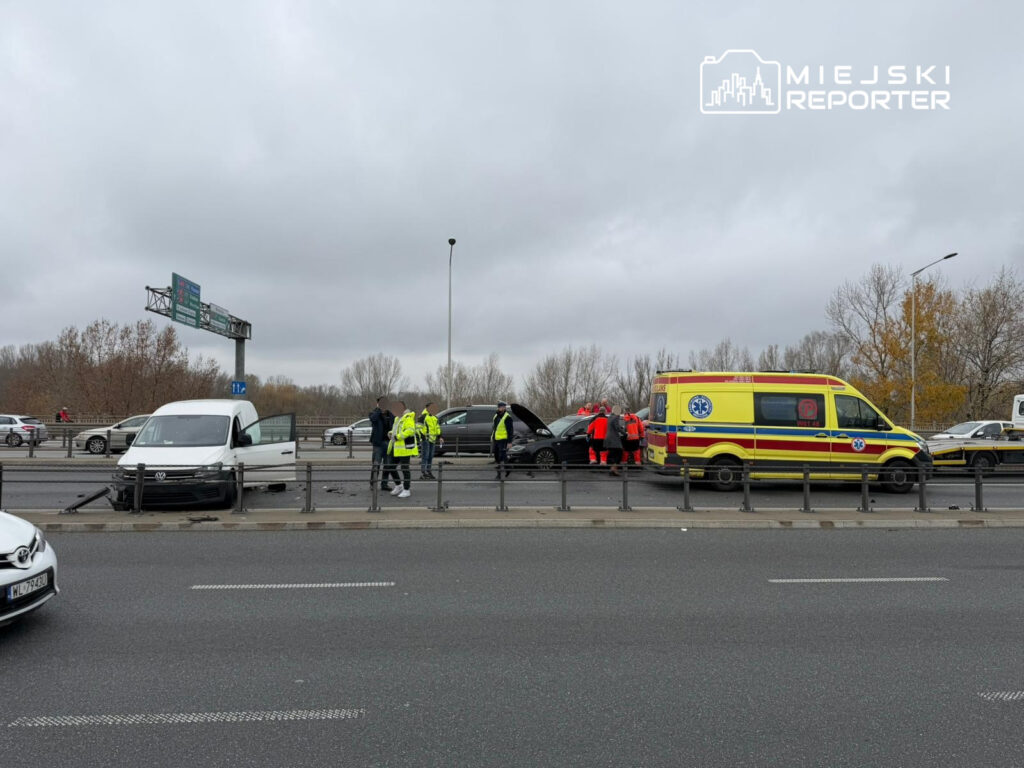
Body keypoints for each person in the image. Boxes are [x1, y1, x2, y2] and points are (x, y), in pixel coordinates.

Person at [389, 400, 418, 498]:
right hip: (396, 447)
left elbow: (410, 430)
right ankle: (398, 485)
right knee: (390, 466)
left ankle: (406, 489)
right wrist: (390, 433)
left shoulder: (408, 417)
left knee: (404, 469)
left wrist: (398, 436)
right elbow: (395, 430)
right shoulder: (397, 418)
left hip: (405, 448)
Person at [369, 397, 397, 492]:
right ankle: (373, 483)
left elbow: (396, 422)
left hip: (388, 443)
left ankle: (384, 484)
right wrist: (379, 410)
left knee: (387, 465)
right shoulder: (374, 413)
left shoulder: (390, 414)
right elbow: (373, 419)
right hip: (378, 443)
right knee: (376, 464)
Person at [418, 402, 441, 480]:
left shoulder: (435, 417)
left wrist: (440, 437)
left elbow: (437, 428)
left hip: (432, 440)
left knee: (430, 456)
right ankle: (424, 472)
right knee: (425, 456)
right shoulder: (423, 417)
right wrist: (423, 438)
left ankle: (428, 471)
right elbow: (418, 428)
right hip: (426, 440)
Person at [491, 401, 513, 478]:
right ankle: (507, 468)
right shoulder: (496, 416)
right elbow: (495, 428)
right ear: (498, 408)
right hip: (496, 439)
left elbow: (510, 430)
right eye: (500, 407)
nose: (502, 408)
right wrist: (493, 437)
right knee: (496, 455)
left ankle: (500, 473)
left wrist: (510, 442)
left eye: (503, 407)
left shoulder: (507, 417)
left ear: (504, 408)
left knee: (502, 456)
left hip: (503, 440)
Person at [604, 405, 626, 476]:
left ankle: (612, 469)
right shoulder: (616, 417)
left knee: (613, 454)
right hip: (614, 439)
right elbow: (617, 428)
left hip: (608, 438)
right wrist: (625, 433)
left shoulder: (609, 417)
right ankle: (614, 469)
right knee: (619, 453)